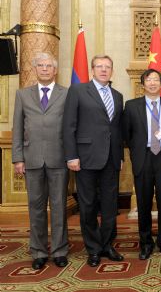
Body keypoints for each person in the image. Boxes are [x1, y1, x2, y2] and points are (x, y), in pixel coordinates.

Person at [63, 54, 124, 267]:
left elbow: (117, 130)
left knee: (110, 205)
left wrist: (121, 157)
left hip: (111, 159)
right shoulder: (78, 91)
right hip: (85, 158)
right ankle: (93, 248)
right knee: (88, 205)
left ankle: (107, 245)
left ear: (112, 71)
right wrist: (71, 156)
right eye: (99, 66)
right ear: (92, 70)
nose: (104, 70)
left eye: (108, 67)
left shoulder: (117, 95)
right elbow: (69, 126)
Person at [12, 52, 69, 270]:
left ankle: (59, 250)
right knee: (35, 207)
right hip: (31, 159)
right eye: (41, 65)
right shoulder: (23, 95)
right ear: (35, 69)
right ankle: (38, 251)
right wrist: (18, 157)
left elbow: (70, 128)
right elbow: (17, 127)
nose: (45, 69)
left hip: (59, 159)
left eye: (49, 66)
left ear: (55, 70)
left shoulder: (66, 94)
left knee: (58, 207)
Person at [122, 69, 161, 259]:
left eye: (156, 80)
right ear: (143, 84)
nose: (152, 83)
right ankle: (145, 243)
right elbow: (126, 135)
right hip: (143, 157)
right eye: (149, 80)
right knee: (144, 203)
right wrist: (137, 151)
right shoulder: (131, 106)